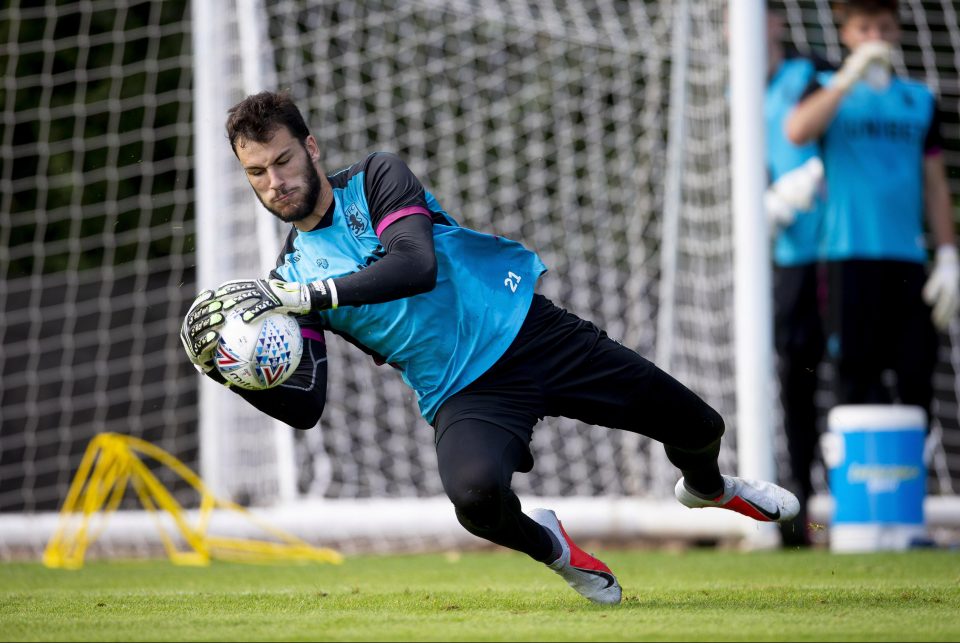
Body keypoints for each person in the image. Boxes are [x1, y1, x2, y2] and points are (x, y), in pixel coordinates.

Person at [180, 90, 800, 606]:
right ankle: (556, 549)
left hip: (533, 333)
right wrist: (233, 372)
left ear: (310, 148)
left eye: (284, 161)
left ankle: (709, 488)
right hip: (463, 390)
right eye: (257, 172)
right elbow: (306, 406)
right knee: (476, 501)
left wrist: (309, 296)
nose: (276, 182)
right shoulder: (289, 278)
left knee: (698, 426)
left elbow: (415, 265)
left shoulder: (375, 179)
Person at [785, 0, 958, 432]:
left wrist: (950, 254)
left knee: (916, 375)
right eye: (864, 29)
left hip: (907, 259)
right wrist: (847, 79)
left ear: (897, 31)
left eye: (882, 28)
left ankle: (908, 487)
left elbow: (935, 183)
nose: (874, 38)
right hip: (847, 256)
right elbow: (798, 130)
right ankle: (859, 489)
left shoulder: (917, 99)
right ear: (846, 35)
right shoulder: (825, 87)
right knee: (855, 375)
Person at [761, 8, 831, 548]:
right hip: (785, 262)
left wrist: (814, 173)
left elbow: (855, 131)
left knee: (859, 376)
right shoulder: (734, 96)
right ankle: (796, 518)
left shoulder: (812, 74)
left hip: (842, 251)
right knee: (793, 383)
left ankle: (873, 509)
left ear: (778, 21)